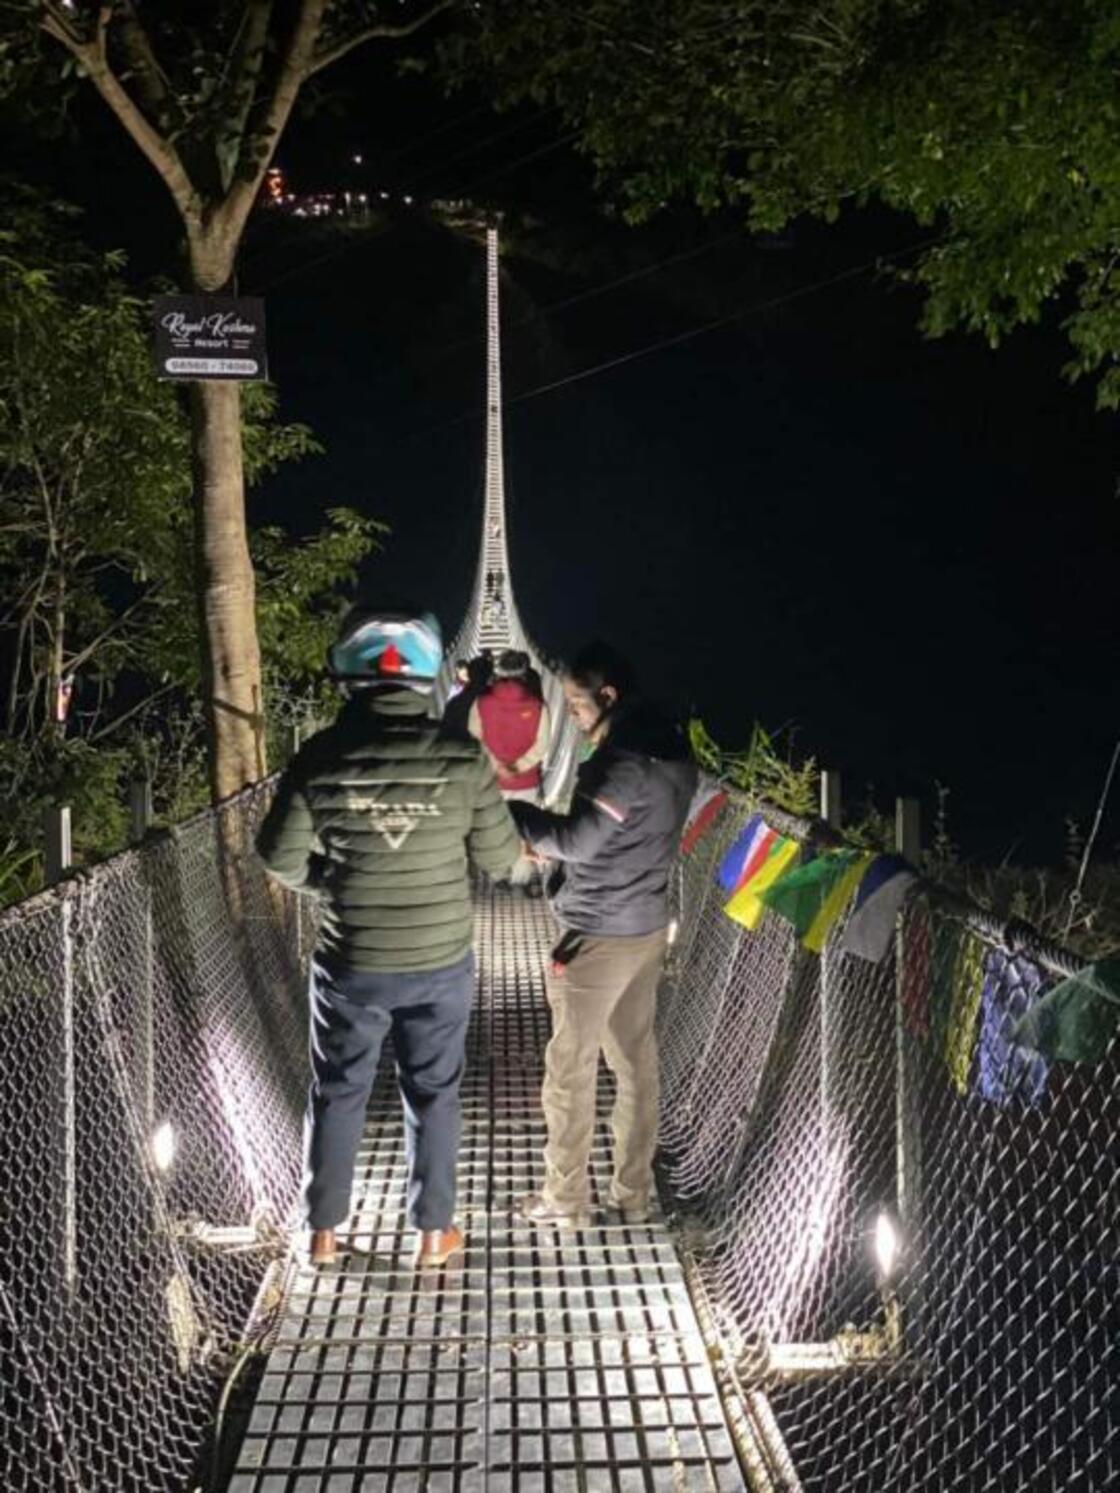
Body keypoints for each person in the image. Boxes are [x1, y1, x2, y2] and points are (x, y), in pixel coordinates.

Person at [256, 605, 520, 1268]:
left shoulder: (320, 755)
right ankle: (433, 1232)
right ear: (430, 677)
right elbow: (499, 857)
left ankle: (322, 1233)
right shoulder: (463, 758)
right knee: (433, 1091)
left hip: (352, 960)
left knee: (338, 1088)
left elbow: (278, 856)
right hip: (440, 958)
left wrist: (331, 881)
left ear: (349, 678)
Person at [509, 642, 696, 1228]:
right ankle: (632, 1196)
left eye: (576, 704)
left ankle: (565, 1199)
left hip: (595, 935)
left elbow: (580, 841)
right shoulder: (675, 751)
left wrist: (515, 819)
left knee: (570, 1068)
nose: (571, 717)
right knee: (635, 1063)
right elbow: (623, 838)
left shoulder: (623, 761)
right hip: (646, 926)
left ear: (608, 696)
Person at [468, 648, 551, 803]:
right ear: (524, 674)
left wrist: (497, 766)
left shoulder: (480, 703)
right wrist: (517, 767)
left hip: (490, 782)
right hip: (526, 784)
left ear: (498, 672)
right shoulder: (538, 706)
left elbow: (474, 740)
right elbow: (542, 744)